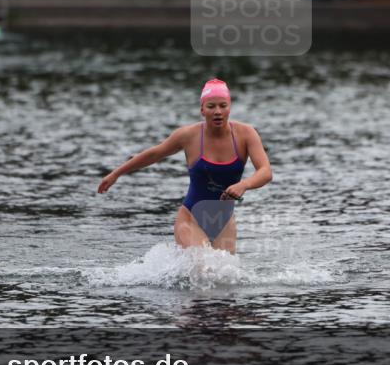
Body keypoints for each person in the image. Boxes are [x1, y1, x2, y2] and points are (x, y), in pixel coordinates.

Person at [97, 78, 272, 253]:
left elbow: (265, 172)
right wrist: (116, 174)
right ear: (202, 109)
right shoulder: (188, 136)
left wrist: (244, 185)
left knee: (225, 277)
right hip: (191, 219)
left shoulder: (246, 134)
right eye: (211, 106)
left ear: (229, 107)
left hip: (224, 222)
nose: (218, 112)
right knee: (204, 270)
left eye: (223, 105)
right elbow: (154, 154)